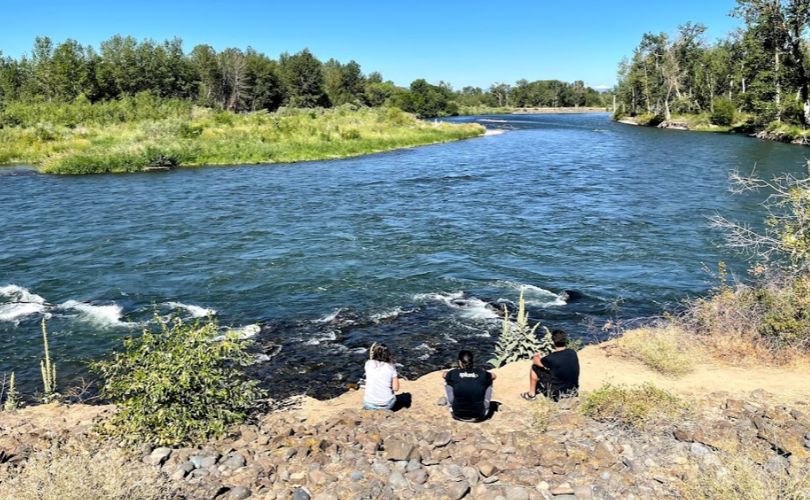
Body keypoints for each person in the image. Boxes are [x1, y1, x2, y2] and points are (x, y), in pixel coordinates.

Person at [522, 329, 580, 401]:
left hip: (557, 395)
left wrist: (536, 356)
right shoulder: (572, 352)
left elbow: (536, 362)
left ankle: (531, 395)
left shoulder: (551, 358)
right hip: (573, 392)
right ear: (565, 341)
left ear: (553, 342)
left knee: (534, 368)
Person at [444, 350, 497, 422]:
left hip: (457, 414)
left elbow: (444, 375)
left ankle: (451, 405)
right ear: (472, 361)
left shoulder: (453, 373)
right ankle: (486, 405)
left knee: (448, 381)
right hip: (479, 415)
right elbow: (494, 376)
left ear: (460, 362)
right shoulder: (482, 373)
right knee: (488, 381)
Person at [363, 343, 400, 410]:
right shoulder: (391, 367)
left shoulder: (368, 364)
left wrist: (372, 351)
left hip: (369, 404)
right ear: (388, 354)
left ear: (373, 354)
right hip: (387, 404)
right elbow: (396, 388)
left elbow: (371, 359)